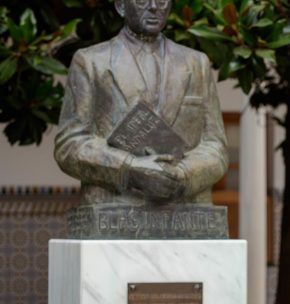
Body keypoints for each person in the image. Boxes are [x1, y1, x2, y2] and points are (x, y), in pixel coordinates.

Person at [55, 0, 228, 205]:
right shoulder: (91, 62)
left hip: (183, 209)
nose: (154, 6)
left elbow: (215, 145)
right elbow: (70, 144)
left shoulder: (197, 63)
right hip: (116, 208)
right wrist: (130, 168)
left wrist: (183, 174)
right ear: (120, 6)